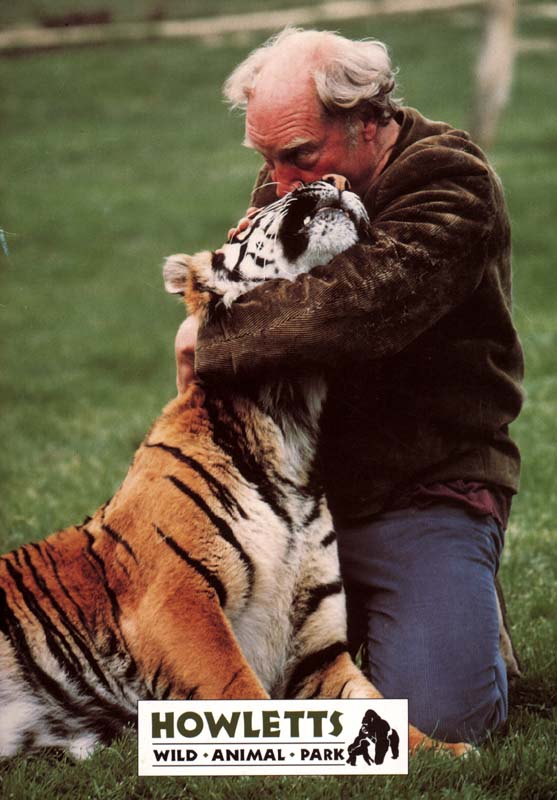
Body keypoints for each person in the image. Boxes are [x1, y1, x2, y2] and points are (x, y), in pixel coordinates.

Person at [174, 28, 523, 744]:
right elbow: (259, 300)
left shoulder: (448, 180)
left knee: (437, 722)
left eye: (300, 155)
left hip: (419, 487)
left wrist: (211, 334)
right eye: (266, 159)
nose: (278, 182)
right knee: (181, 684)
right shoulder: (291, 178)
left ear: (368, 119)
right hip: (300, 496)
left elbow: (351, 312)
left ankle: (456, 605)